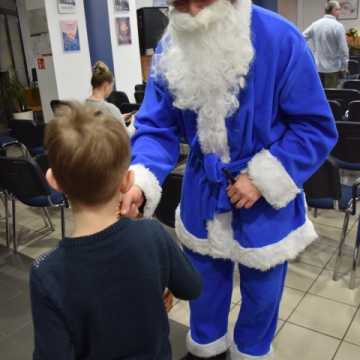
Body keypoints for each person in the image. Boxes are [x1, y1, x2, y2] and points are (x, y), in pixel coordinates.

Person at [120, 0, 338, 359]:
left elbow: (314, 128)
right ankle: (207, 350)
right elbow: (156, 127)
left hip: (265, 204)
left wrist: (261, 178)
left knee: (262, 301)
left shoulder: (280, 38)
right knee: (202, 292)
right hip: (202, 197)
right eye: (179, 1)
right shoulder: (170, 45)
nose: (191, 11)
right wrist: (141, 181)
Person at [30, 102, 202, 360]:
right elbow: (191, 287)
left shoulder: (46, 274)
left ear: (53, 181)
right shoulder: (153, 235)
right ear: (128, 179)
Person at [303, 1, 349, 88]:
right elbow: (343, 50)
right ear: (334, 10)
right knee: (331, 97)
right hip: (333, 69)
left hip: (317, 68)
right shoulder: (338, 26)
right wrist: (344, 67)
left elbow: (301, 38)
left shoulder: (315, 24)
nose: (340, 12)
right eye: (339, 10)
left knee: (320, 96)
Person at [86, 61, 135, 136]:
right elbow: (126, 137)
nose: (111, 90)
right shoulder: (110, 109)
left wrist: (120, 117)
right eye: (112, 86)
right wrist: (133, 123)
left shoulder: (81, 107)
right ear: (106, 85)